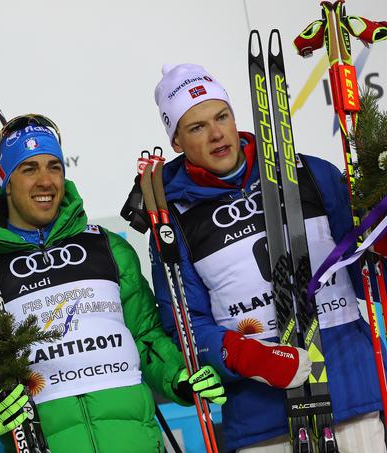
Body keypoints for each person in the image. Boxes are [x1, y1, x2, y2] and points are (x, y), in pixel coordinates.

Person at [0, 114, 227, 452]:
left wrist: (179, 375)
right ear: (5, 180)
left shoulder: (107, 247)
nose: (45, 181)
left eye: (54, 167)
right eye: (29, 169)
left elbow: (145, 336)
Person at [150, 63, 386, 453]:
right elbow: (185, 325)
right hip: (262, 419)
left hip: (350, 391)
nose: (216, 134)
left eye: (221, 116)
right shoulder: (174, 219)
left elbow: (370, 274)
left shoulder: (310, 173)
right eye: (196, 127)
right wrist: (249, 357)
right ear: (176, 141)